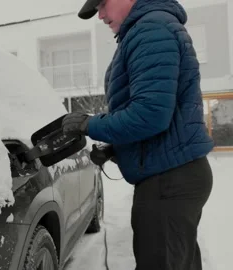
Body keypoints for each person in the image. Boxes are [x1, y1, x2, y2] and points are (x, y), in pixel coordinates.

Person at [61, 0, 214, 269]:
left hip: (169, 182)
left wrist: (90, 124)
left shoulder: (151, 30)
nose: (101, 15)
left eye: (103, 4)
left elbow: (150, 113)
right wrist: (116, 149)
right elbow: (162, 117)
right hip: (173, 175)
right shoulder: (148, 28)